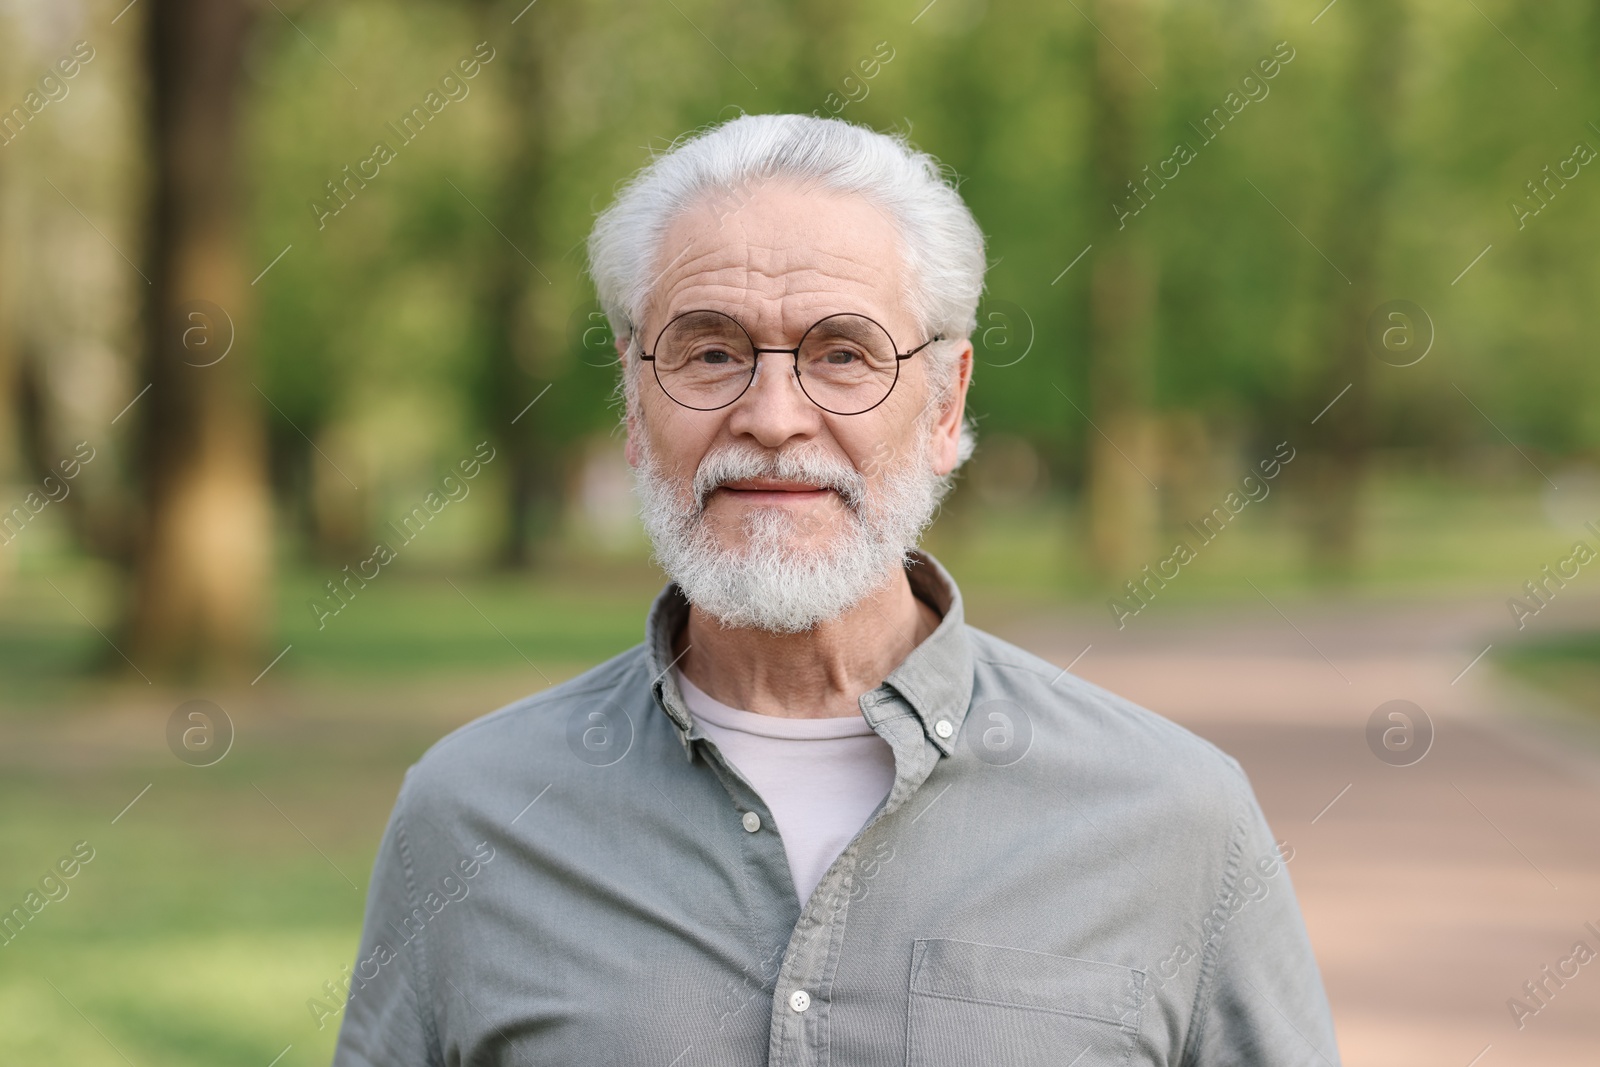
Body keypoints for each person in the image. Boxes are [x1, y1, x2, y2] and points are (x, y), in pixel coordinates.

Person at [331, 112, 1341, 1066]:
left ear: (944, 403)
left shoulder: (1176, 817)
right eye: (712, 351)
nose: (773, 416)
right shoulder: (470, 814)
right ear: (635, 406)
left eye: (843, 354)